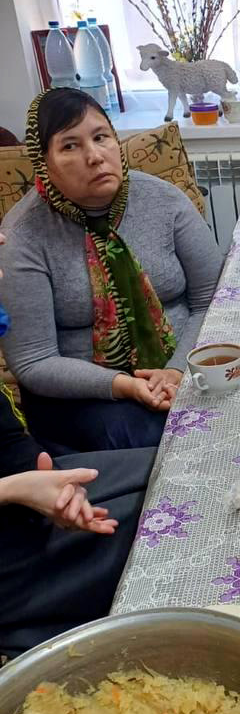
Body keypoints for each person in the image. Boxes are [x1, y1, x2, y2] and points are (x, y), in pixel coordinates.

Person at [0, 89, 223, 456]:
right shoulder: (24, 236)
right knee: (172, 438)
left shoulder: (163, 201)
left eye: (101, 137)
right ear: (44, 163)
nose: (94, 156)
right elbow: (34, 360)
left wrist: (177, 370)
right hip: (82, 397)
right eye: (70, 146)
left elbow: (212, 299)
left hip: (184, 365)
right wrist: (124, 385)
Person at [0, 233, 153, 660]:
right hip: (9, 552)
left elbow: (5, 435)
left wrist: (46, 482)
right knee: (170, 526)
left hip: (22, 500)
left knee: (184, 472)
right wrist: (14, 491)